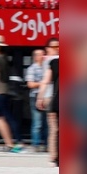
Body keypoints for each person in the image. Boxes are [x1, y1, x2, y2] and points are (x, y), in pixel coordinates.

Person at [38, 38, 60, 166]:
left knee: (54, 130)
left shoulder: (52, 62)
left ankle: (54, 157)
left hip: (55, 99)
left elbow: (46, 81)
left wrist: (40, 97)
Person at [25, 49, 48, 151]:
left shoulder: (47, 68)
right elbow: (30, 84)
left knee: (47, 122)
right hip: (35, 96)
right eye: (40, 55)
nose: (42, 56)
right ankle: (36, 144)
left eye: (43, 54)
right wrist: (43, 83)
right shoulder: (32, 69)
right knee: (37, 122)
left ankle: (47, 144)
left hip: (46, 96)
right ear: (35, 57)